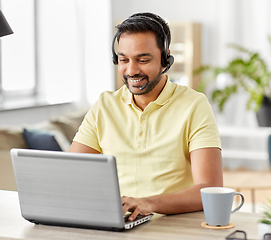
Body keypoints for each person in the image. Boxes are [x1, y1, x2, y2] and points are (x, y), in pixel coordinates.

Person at [69, 12, 222, 221]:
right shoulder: (104, 106)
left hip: (172, 224)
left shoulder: (194, 105)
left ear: (165, 59)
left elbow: (209, 188)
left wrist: (148, 203)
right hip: (119, 222)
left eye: (142, 60)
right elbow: (72, 173)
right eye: (123, 60)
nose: (131, 70)